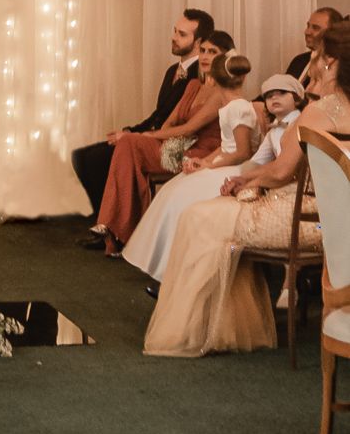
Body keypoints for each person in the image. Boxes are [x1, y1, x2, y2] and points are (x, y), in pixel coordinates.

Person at [144, 23, 350, 357]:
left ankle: (194, 330)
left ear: (331, 63)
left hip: (307, 220)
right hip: (337, 223)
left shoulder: (321, 111)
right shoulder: (324, 107)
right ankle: (230, 327)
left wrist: (247, 180)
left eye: (317, 58)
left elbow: (281, 171)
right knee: (218, 213)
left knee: (200, 216)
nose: (310, 65)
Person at [73, 8, 215, 236]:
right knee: (81, 156)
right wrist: (132, 130)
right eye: (174, 31)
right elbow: (160, 116)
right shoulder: (174, 72)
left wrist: (138, 136)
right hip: (158, 135)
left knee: (101, 156)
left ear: (198, 42)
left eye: (182, 34)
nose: (174, 37)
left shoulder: (200, 77)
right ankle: (106, 219)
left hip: (179, 144)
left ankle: (114, 224)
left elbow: (185, 126)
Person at [123, 52, 258, 282]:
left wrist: (211, 165)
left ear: (213, 79)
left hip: (235, 168)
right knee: (172, 193)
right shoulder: (230, 108)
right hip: (222, 162)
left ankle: (175, 269)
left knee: (182, 199)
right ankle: (165, 265)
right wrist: (205, 162)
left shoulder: (239, 108)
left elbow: (242, 152)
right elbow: (226, 145)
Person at [96, 29, 232, 254]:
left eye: (213, 52)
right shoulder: (193, 86)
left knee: (131, 141)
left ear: (226, 57)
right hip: (177, 146)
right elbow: (170, 123)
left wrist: (144, 136)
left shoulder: (221, 92)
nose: (206, 56)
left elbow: (190, 127)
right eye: (204, 51)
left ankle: (118, 229)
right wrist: (157, 140)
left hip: (203, 152)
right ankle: (115, 228)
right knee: (128, 145)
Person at [287, 5, 342, 85]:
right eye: (308, 26)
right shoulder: (299, 61)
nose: (307, 32)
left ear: (332, 32)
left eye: (315, 28)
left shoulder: (340, 67)